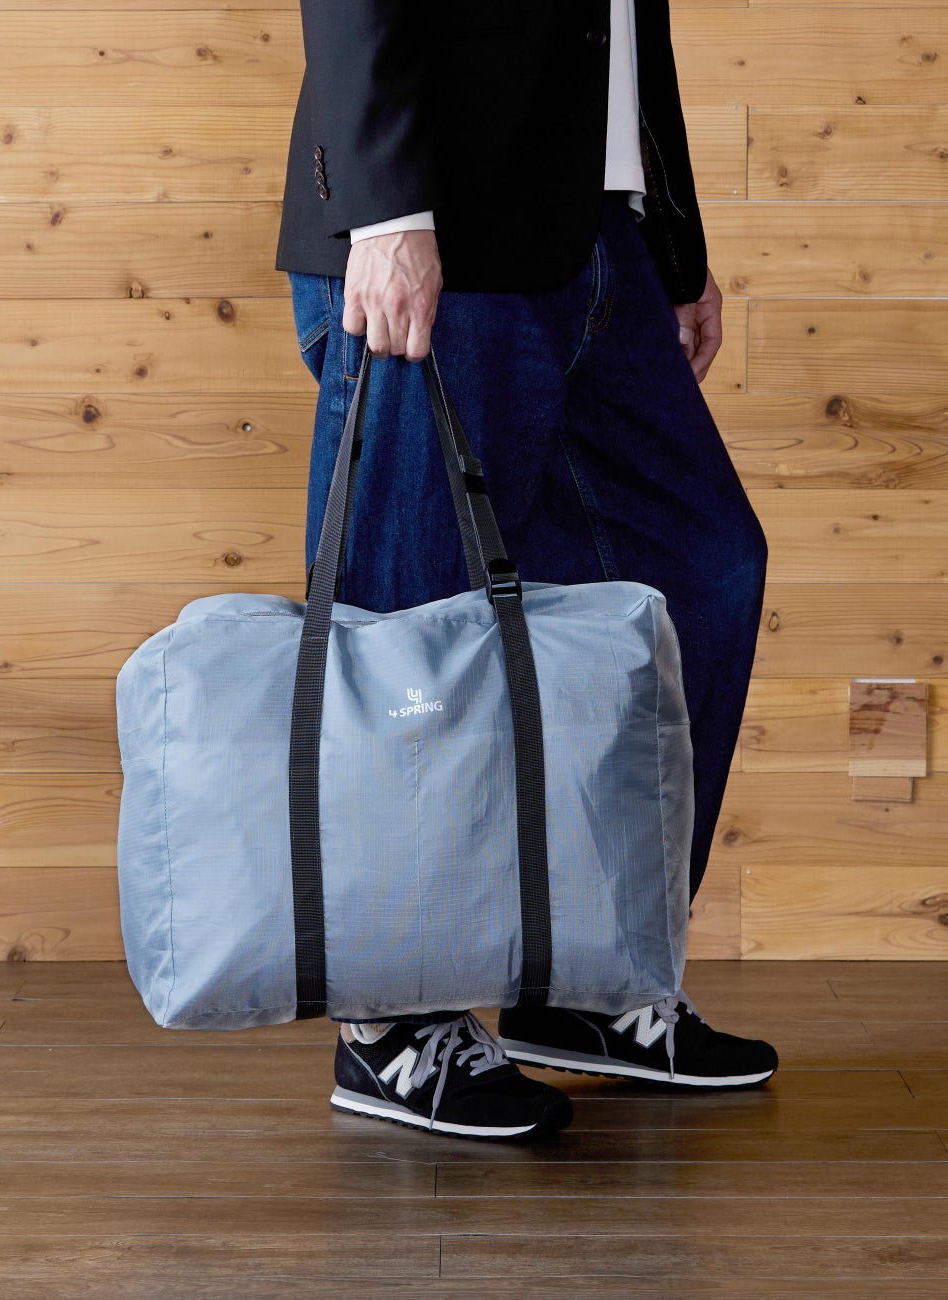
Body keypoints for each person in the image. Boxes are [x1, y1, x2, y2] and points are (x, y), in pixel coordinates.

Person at [275, 0, 777, 1140]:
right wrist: (387, 210)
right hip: (434, 218)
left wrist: (672, 242)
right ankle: (388, 1018)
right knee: (404, 620)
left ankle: (587, 975)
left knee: (697, 569)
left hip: (594, 228)